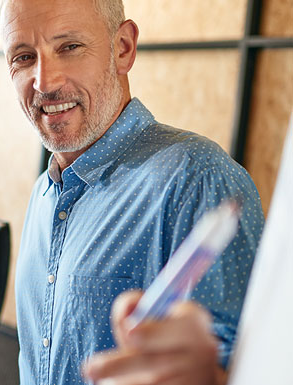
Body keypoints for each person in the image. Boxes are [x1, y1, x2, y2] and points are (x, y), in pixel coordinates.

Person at [0, 0, 265, 383]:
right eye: (23, 57)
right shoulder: (45, 189)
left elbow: (247, 364)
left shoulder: (198, 178)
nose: (45, 81)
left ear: (123, 47)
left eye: (69, 47)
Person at [83, 119, 293, 385]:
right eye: (19, 72)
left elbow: (242, 359)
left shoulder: (205, 176)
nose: (43, 82)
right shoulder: (40, 195)